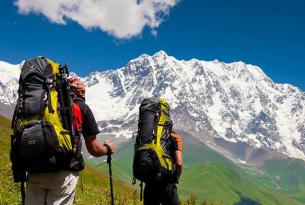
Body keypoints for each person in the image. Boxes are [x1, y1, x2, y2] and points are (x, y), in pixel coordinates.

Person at [25, 77, 116, 205]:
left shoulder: (43, 105)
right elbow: (94, 149)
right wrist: (107, 148)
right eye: (83, 89)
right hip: (63, 172)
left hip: (35, 168)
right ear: (79, 91)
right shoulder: (81, 107)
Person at [143, 131, 183, 205]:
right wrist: (177, 177)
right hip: (167, 184)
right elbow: (179, 163)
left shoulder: (148, 136)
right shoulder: (175, 137)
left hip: (150, 184)